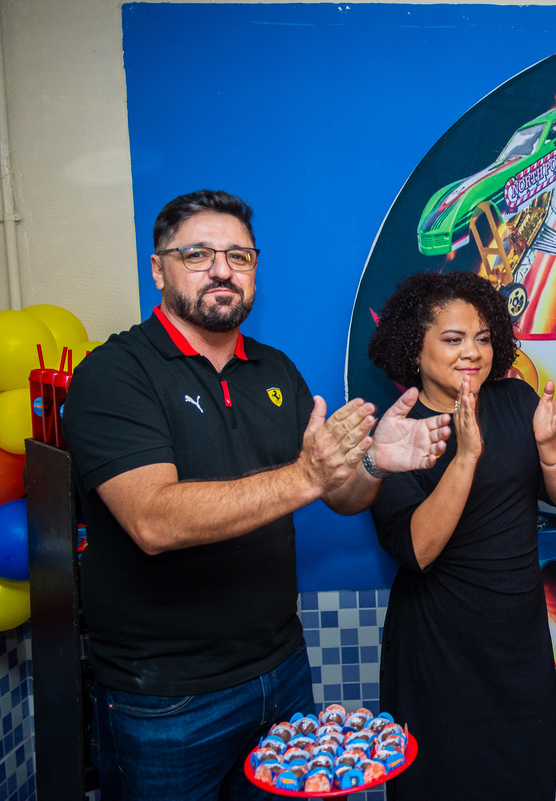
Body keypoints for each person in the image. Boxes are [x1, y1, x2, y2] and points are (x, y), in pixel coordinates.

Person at [62, 189, 451, 801]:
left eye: (239, 256)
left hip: (282, 674)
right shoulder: (115, 374)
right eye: (198, 254)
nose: (222, 270)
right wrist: (306, 476)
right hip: (166, 700)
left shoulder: (276, 372)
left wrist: (374, 461)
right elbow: (153, 521)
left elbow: (342, 497)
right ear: (158, 269)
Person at [364, 270, 556, 800]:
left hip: (518, 645)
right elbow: (418, 551)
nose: (472, 352)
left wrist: (548, 445)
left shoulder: (514, 400)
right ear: (414, 350)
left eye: (483, 338)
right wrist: (465, 456)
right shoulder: (398, 435)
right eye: (453, 339)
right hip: (439, 651)